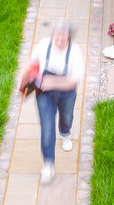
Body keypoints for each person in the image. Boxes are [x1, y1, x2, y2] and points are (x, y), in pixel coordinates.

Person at [27, 20, 84, 184]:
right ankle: (48, 163)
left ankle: (65, 133)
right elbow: (32, 64)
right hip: (44, 94)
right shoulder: (44, 45)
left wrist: (52, 82)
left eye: (63, 36)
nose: (59, 39)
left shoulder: (75, 53)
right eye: (57, 35)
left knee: (66, 117)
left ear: (69, 37)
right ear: (53, 35)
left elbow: (74, 82)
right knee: (47, 127)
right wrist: (22, 78)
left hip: (66, 93)